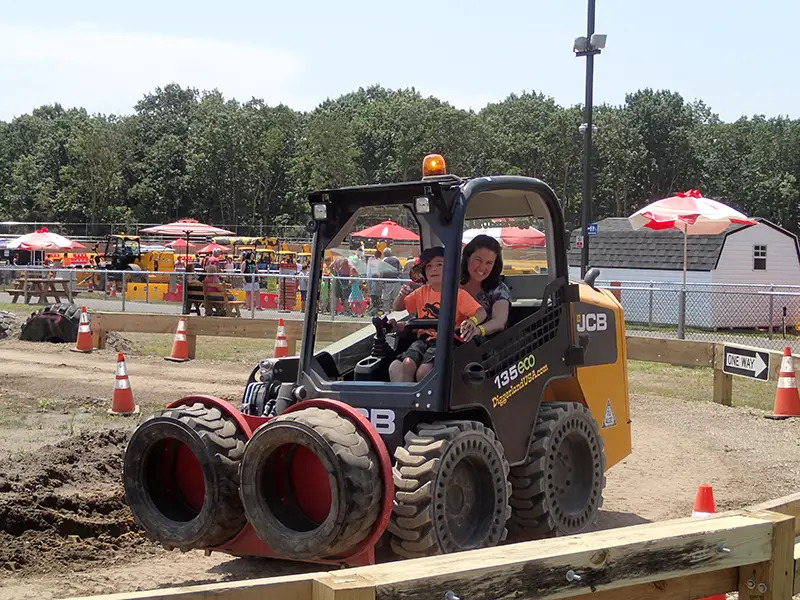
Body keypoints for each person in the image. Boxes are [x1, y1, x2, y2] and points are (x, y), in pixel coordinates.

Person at [389, 247, 486, 382]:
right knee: (405, 364)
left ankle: (425, 401)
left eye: (439, 264)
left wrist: (473, 321)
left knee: (424, 371)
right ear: (424, 272)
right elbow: (397, 307)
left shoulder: (457, 294)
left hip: (448, 342)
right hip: (423, 340)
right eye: (429, 266)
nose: (433, 269)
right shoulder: (422, 292)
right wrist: (401, 295)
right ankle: (405, 399)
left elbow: (481, 312)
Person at [459, 235, 513, 340]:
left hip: (485, 345)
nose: (482, 268)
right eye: (478, 260)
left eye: (489, 263)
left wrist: (477, 331)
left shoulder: (499, 290)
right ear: (467, 258)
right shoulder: (451, 286)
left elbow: (499, 322)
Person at [380, 248, 402, 312]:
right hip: (396, 282)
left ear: (384, 254)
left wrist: (381, 282)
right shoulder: (396, 259)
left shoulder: (383, 261)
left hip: (387, 282)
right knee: (396, 298)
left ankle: (386, 313)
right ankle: (395, 312)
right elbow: (400, 269)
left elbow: (381, 272)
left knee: (386, 299)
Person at [366, 249, 384, 316]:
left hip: (373, 279)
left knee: (374, 295)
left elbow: (369, 271)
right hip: (375, 280)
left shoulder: (371, 261)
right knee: (375, 295)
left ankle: (374, 310)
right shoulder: (378, 261)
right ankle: (374, 310)